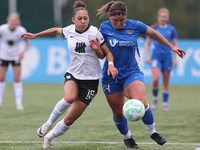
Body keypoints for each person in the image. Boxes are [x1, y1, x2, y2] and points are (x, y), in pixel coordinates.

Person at [21, 1, 118, 149]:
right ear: (73, 20)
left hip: (91, 80)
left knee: (69, 120)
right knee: (69, 97)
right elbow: (55, 30)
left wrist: (99, 51)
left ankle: (49, 137)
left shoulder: (95, 32)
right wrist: (36, 35)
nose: (83, 21)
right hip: (73, 74)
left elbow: (105, 54)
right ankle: (48, 124)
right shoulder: (69, 30)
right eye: (79, 18)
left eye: (85, 18)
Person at [97, 1, 185, 149]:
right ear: (109, 16)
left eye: (121, 20)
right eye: (115, 20)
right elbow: (101, 53)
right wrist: (96, 49)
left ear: (126, 16)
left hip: (132, 71)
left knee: (142, 102)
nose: (118, 23)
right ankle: (128, 138)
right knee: (118, 113)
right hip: (110, 75)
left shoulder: (135, 25)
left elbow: (154, 34)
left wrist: (171, 47)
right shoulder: (104, 27)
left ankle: (153, 132)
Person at [145, 8, 178, 112]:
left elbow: (175, 44)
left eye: (165, 17)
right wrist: (147, 55)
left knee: (166, 82)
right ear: (158, 17)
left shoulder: (171, 29)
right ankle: (155, 100)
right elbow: (147, 43)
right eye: (161, 17)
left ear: (167, 18)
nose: (163, 18)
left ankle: (164, 104)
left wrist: (175, 59)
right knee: (155, 79)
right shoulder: (154, 28)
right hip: (156, 57)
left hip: (167, 58)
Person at [0, 13, 30, 110]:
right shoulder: (2, 29)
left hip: (15, 57)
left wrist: (23, 52)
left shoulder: (21, 30)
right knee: (1, 79)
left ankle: (18, 103)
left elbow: (27, 42)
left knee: (17, 79)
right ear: (8, 21)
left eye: (14, 21)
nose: (13, 22)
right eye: (11, 20)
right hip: (3, 56)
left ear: (17, 22)